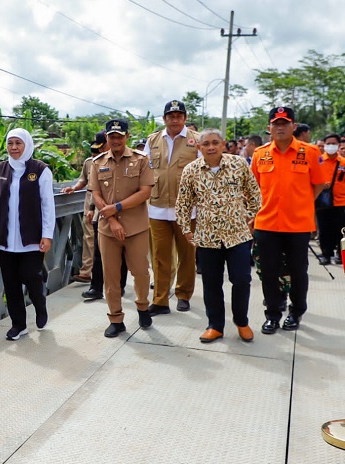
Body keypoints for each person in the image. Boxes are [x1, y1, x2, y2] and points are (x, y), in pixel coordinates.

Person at [176, 128, 262, 343]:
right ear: (199, 147)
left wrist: (250, 219)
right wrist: (186, 229)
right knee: (212, 284)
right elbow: (183, 204)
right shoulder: (191, 170)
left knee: (242, 280)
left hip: (238, 236)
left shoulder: (238, 164)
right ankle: (215, 325)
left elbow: (255, 194)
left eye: (215, 142)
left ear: (223, 144)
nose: (211, 147)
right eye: (206, 144)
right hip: (207, 237)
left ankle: (241, 322)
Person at [251, 106, 326, 334]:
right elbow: (253, 189)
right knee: (269, 272)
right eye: (276, 123)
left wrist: (302, 204)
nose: (280, 127)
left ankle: (296, 311)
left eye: (285, 123)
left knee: (298, 270)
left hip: (298, 225)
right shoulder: (260, 154)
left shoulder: (310, 152)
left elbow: (319, 184)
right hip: (266, 223)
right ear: (269, 127)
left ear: (294, 126)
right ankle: (272, 314)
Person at [0, 128, 55, 341]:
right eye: (10, 143)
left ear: (27, 145)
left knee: (31, 275)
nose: (14, 148)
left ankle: (39, 304)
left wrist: (47, 234)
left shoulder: (40, 170)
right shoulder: (0, 170)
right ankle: (19, 325)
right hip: (4, 238)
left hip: (31, 237)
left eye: (18, 143)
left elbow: (48, 205)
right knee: (11, 283)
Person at [88, 119, 154, 337]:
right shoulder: (98, 163)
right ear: (106, 138)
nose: (115, 140)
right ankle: (116, 318)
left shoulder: (140, 160)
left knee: (141, 272)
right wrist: (113, 219)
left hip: (135, 227)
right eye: (111, 136)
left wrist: (117, 207)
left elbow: (145, 192)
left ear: (126, 137)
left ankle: (143, 306)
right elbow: (96, 194)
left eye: (119, 136)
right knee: (111, 275)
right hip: (108, 228)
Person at [144, 100, 199, 315]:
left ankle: (183, 294)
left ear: (184, 118)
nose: (174, 119)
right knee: (159, 256)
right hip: (157, 207)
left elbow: (203, 173)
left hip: (187, 208)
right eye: (170, 116)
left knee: (187, 254)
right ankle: (160, 299)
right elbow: (146, 171)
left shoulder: (197, 140)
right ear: (164, 118)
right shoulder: (153, 140)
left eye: (179, 115)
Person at [62, 131, 107, 284]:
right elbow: (83, 180)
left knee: (108, 239)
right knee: (89, 237)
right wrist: (73, 188)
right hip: (90, 201)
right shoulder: (90, 161)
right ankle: (87, 272)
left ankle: (107, 271)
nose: (99, 151)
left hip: (108, 201)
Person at [315, 133, 344, 265]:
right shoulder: (319, 160)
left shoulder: (343, 162)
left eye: (333, 143)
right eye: (328, 143)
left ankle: (339, 254)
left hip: (340, 202)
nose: (330, 146)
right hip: (323, 202)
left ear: (338, 145)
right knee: (324, 229)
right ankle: (326, 254)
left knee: (340, 230)